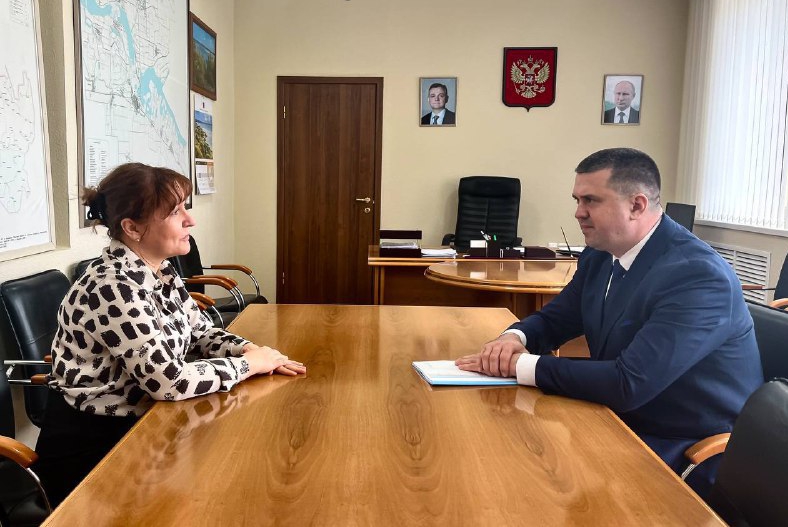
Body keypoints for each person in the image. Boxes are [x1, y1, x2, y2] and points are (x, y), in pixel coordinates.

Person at [455, 148, 762, 499]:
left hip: (686, 450)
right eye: (577, 200)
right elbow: (558, 318)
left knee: (526, 485)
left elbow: (628, 383)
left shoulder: (697, 276)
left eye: (591, 200)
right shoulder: (601, 254)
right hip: (615, 418)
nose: (578, 212)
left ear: (637, 205)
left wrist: (518, 366)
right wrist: (514, 338)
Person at [34, 162, 306, 506]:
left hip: (147, 429)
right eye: (176, 211)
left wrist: (250, 350)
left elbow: (200, 333)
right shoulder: (112, 287)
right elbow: (169, 382)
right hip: (96, 452)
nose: (190, 220)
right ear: (133, 228)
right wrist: (250, 365)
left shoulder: (160, 271)